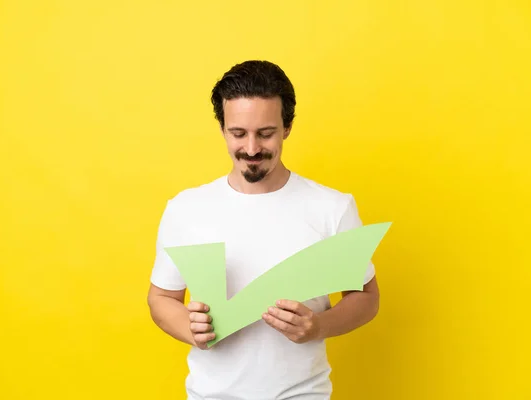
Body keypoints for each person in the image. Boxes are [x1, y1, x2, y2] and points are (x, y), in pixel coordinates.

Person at [147, 60, 380, 400]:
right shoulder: (186, 209)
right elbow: (161, 298)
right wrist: (190, 328)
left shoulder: (332, 207)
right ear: (222, 128)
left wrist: (318, 327)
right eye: (238, 133)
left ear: (287, 127)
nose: (252, 149)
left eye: (266, 133)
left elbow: (366, 298)